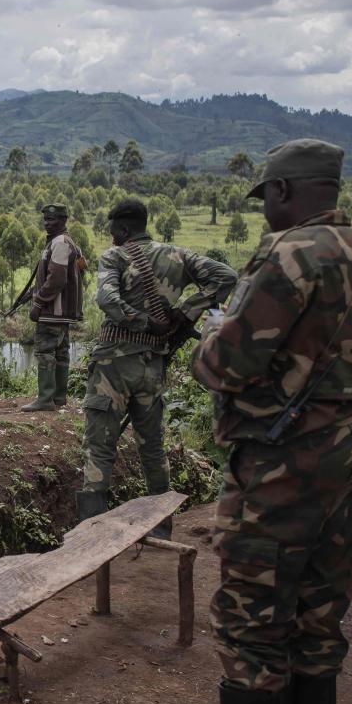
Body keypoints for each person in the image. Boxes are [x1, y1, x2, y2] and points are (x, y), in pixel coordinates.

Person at [158, 139, 352, 704]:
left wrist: (209, 337)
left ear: (288, 192)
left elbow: (227, 363)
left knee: (253, 612)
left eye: (266, 194)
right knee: (321, 607)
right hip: (345, 451)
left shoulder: (289, 255)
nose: (265, 205)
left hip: (281, 460)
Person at [78, 199, 235, 529]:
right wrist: (185, 311)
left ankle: (90, 534)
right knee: (153, 450)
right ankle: (162, 529)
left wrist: (143, 321)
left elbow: (107, 300)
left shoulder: (115, 256)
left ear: (123, 229)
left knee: (100, 449)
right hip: (153, 368)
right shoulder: (178, 255)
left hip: (113, 367)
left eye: (113, 232)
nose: (111, 239)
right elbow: (226, 276)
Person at [21, 204, 85, 412]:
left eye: (53, 220)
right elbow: (78, 271)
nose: (48, 224)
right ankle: (58, 398)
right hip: (64, 313)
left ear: (63, 220)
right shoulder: (69, 243)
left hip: (52, 312)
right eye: (46, 220)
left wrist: (38, 302)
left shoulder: (59, 243)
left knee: (45, 351)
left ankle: (45, 399)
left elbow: (57, 279)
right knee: (61, 353)